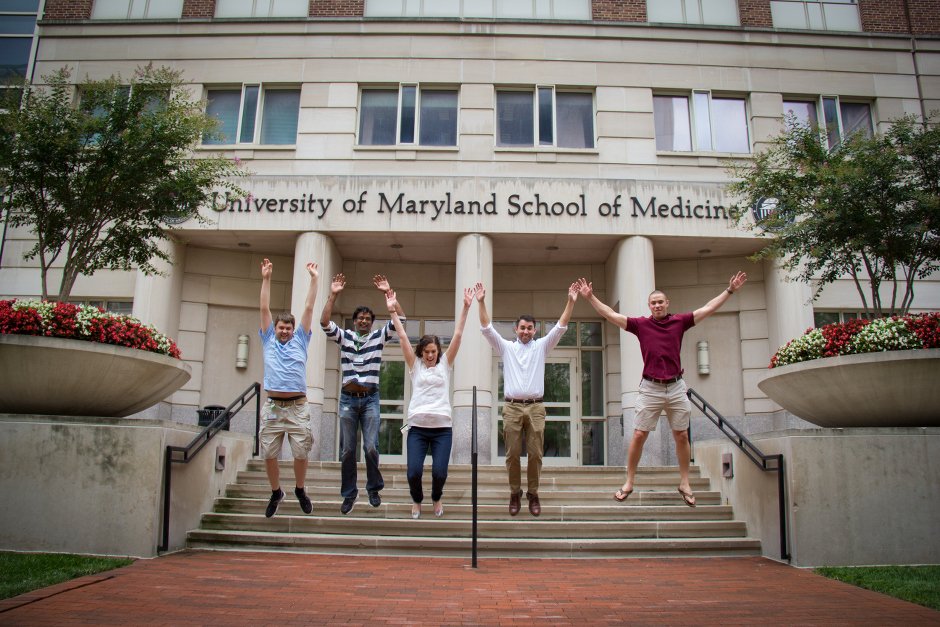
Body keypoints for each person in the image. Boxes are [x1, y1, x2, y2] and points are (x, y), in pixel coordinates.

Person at [576, 272, 748, 507]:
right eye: (653, 302)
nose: (657, 305)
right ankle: (629, 481)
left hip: (676, 386)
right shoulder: (641, 325)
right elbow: (611, 315)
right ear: (649, 306)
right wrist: (590, 298)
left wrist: (729, 291)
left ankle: (685, 482)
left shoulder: (680, 322)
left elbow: (707, 309)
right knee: (639, 434)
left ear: (667, 304)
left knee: (681, 435)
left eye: (660, 302)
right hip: (650, 387)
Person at [477, 281, 578, 517]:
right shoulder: (506, 348)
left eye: (530, 328)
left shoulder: (541, 347)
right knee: (512, 454)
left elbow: (561, 327)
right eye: (522, 327)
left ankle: (533, 493)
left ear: (535, 330)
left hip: (535, 408)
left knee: (535, 454)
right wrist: (481, 302)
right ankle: (515, 493)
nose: (526, 331)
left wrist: (571, 301)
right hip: (512, 407)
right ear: (516, 329)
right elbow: (487, 329)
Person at [385, 286, 474, 519]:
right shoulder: (415, 367)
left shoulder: (445, 365)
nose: (430, 355)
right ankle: (417, 499)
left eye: (433, 351)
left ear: (438, 351)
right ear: (421, 352)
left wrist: (465, 307)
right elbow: (403, 335)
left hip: (442, 429)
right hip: (416, 428)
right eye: (426, 352)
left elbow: (458, 335)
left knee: (440, 472)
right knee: (413, 472)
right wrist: (392, 311)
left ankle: (436, 496)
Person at [321, 273, 405, 515]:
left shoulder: (379, 337)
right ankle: (349, 494)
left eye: (368, 318)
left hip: (370, 399)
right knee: (347, 450)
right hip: (348, 399)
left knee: (370, 447)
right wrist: (333, 295)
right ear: (355, 321)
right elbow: (325, 322)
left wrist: (389, 296)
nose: (364, 321)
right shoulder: (345, 337)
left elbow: (402, 319)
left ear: (372, 322)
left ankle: (373, 488)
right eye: (360, 318)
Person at [258, 258, 319, 518]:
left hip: (297, 406)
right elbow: (263, 307)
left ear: (294, 330)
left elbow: (308, 307)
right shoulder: (268, 339)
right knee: (269, 453)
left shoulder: (301, 340)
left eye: (288, 328)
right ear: (275, 328)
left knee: (300, 451)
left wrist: (314, 279)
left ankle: (300, 489)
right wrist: (266, 278)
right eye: (281, 327)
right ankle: (276, 492)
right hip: (272, 406)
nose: (284, 331)